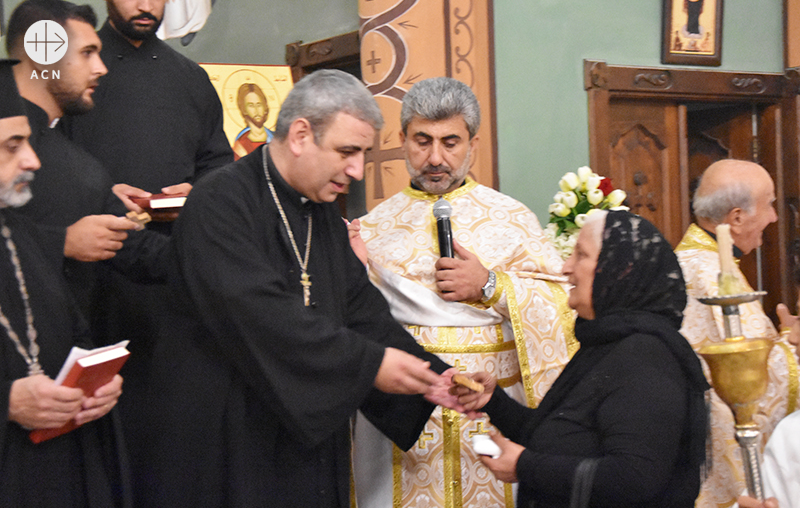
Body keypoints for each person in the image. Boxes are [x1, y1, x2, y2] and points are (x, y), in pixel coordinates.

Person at [140, 69, 459, 508]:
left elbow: (361, 308)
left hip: (298, 435)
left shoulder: (320, 207)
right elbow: (257, 312)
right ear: (301, 134)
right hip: (226, 431)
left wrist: (434, 376)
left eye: (363, 153)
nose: (356, 170)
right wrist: (370, 364)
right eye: (347, 151)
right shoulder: (218, 202)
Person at [348, 77, 574, 507]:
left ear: (473, 142)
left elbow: (565, 303)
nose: (436, 158)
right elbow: (357, 319)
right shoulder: (374, 228)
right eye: (422, 141)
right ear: (402, 140)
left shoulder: (511, 218)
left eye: (450, 142)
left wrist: (489, 285)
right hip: (406, 413)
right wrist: (353, 270)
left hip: (493, 407)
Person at [62, 0, 233, 497]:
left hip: (167, 282)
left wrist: (197, 193)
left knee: (170, 436)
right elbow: (49, 156)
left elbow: (218, 162)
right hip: (89, 276)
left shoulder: (189, 78)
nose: (145, 4)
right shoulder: (74, 71)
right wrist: (97, 190)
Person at [455, 210, 711, 507]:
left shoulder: (645, 355)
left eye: (580, 255)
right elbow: (556, 438)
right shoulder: (607, 342)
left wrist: (525, 466)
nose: (565, 268)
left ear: (620, 270)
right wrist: (493, 402)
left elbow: (635, 478)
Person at [0, 58, 128, 507]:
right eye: (11, 145)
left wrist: (96, 384)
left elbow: (73, 337)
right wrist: (7, 402)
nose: (32, 159)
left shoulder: (21, 235)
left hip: (57, 468)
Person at [6, 0, 169, 319]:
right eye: (86, 53)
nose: (101, 68)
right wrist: (60, 242)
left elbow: (134, 250)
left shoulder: (78, 165)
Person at [676, 159, 800, 508]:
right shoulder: (713, 274)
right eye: (770, 204)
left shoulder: (689, 261)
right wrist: (794, 347)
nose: (775, 217)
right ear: (737, 217)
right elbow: (754, 380)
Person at [232, 82, 274, 160]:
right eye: (251, 105)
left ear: (265, 107)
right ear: (244, 109)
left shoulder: (276, 139)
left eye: (259, 104)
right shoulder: (241, 147)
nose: (256, 110)